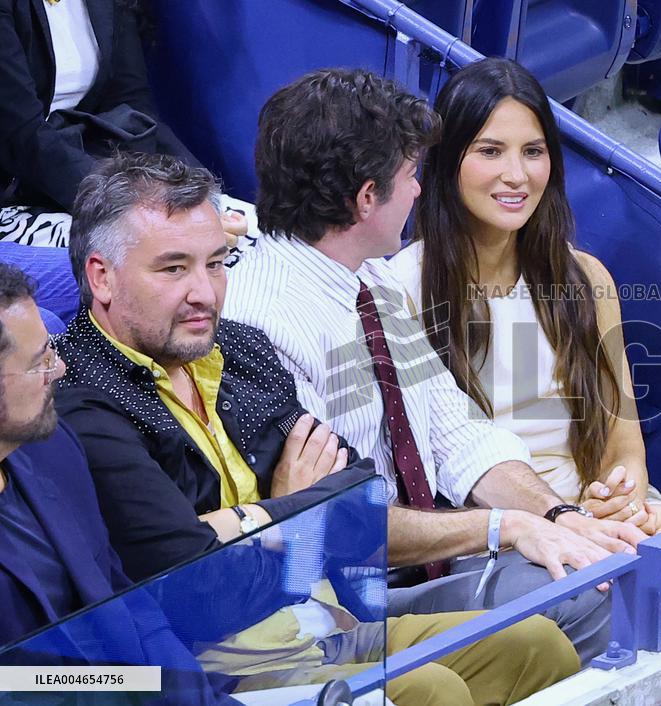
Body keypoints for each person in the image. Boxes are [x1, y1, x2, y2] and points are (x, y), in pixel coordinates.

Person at [53, 151, 579, 705]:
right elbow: (200, 591)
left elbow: (363, 500)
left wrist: (255, 519)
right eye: (173, 268)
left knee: (536, 645)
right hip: (212, 675)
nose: (204, 293)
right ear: (102, 277)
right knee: (427, 692)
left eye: (215, 263)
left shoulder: (237, 348)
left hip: (324, 627)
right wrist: (299, 510)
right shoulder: (82, 400)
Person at [224, 67, 661, 663]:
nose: (418, 190)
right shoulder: (264, 320)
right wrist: (506, 527)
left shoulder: (369, 278)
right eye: (410, 175)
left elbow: (457, 435)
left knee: (612, 571)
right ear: (365, 199)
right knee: (596, 590)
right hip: (344, 600)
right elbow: (336, 517)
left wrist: (559, 516)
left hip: (415, 570)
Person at [389, 57, 661, 624]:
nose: (517, 175)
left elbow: (621, 435)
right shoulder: (400, 291)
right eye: (489, 151)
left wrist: (620, 494)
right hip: (500, 534)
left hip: (592, 506)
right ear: (448, 160)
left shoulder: (585, 278)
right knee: (630, 585)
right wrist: (565, 520)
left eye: (533, 151)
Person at [0, 261, 239, 705]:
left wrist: (190, 693)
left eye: (51, 352)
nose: (60, 371)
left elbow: (127, 600)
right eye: (40, 364)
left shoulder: (53, 449)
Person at [0, 0, 247, 246]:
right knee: (171, 254)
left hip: (89, 176)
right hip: (18, 191)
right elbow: (22, 136)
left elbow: (134, 109)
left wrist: (201, 194)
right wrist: (140, 211)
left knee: (245, 234)